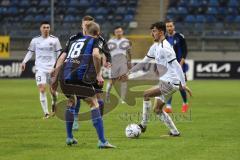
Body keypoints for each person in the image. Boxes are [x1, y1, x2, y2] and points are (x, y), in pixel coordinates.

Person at [51, 21, 116, 148]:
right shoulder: (95, 40)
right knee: (94, 103)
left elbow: (60, 59)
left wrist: (54, 79)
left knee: (71, 102)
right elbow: (96, 55)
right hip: (79, 76)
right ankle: (102, 141)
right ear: (98, 33)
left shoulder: (74, 41)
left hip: (64, 76)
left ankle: (69, 138)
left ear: (85, 31)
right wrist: (98, 74)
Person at [128, 21, 192, 136]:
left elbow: (177, 65)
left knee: (146, 94)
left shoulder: (165, 47)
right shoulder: (155, 46)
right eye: (152, 31)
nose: (152, 34)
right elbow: (144, 62)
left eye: (154, 31)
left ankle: (143, 125)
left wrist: (183, 84)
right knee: (157, 110)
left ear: (161, 32)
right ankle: (175, 132)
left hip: (170, 82)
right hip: (165, 82)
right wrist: (129, 72)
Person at [65, 15, 111, 131]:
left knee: (97, 95)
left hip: (92, 70)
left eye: (89, 24)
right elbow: (65, 53)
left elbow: (106, 50)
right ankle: (75, 119)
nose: (87, 26)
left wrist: (108, 60)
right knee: (75, 97)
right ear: (82, 25)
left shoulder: (99, 39)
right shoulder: (74, 38)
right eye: (86, 24)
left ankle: (99, 118)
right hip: (78, 70)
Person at [21, 21, 62, 119]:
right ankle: (46, 113)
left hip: (52, 69)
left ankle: (54, 102)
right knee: (42, 89)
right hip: (40, 68)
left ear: (50, 29)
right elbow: (30, 52)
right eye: (44, 27)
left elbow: (59, 55)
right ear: (41, 28)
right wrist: (24, 62)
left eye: (48, 27)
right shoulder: (35, 40)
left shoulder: (55, 40)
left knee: (53, 91)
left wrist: (56, 67)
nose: (46, 29)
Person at [165, 19, 189, 113]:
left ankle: (185, 103)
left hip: (179, 64)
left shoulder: (180, 36)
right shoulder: (165, 38)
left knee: (180, 86)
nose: (169, 28)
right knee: (169, 85)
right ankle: (168, 106)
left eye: (170, 26)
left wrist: (181, 63)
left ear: (174, 27)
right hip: (169, 66)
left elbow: (185, 51)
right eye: (167, 26)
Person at [105, 26, 131, 104]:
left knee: (124, 79)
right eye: (117, 32)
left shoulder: (126, 41)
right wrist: (106, 62)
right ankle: (107, 96)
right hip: (114, 62)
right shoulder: (110, 42)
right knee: (112, 81)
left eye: (120, 31)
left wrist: (129, 62)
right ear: (114, 33)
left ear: (122, 32)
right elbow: (106, 53)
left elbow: (129, 52)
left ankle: (122, 99)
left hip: (123, 61)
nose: (119, 33)